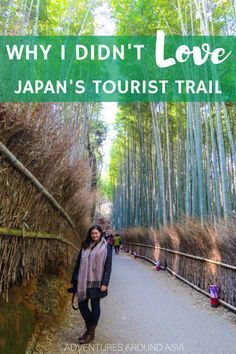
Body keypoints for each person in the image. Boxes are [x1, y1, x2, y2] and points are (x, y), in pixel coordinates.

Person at [70, 225, 112, 344]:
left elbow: (108, 267)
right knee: (82, 305)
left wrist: (105, 282)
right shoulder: (85, 245)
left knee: (95, 305)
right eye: (92, 233)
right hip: (83, 282)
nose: (94, 235)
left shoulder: (106, 247)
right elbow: (78, 264)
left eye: (96, 233)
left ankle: (90, 333)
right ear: (90, 234)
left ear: (100, 233)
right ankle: (90, 330)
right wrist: (75, 279)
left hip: (97, 282)